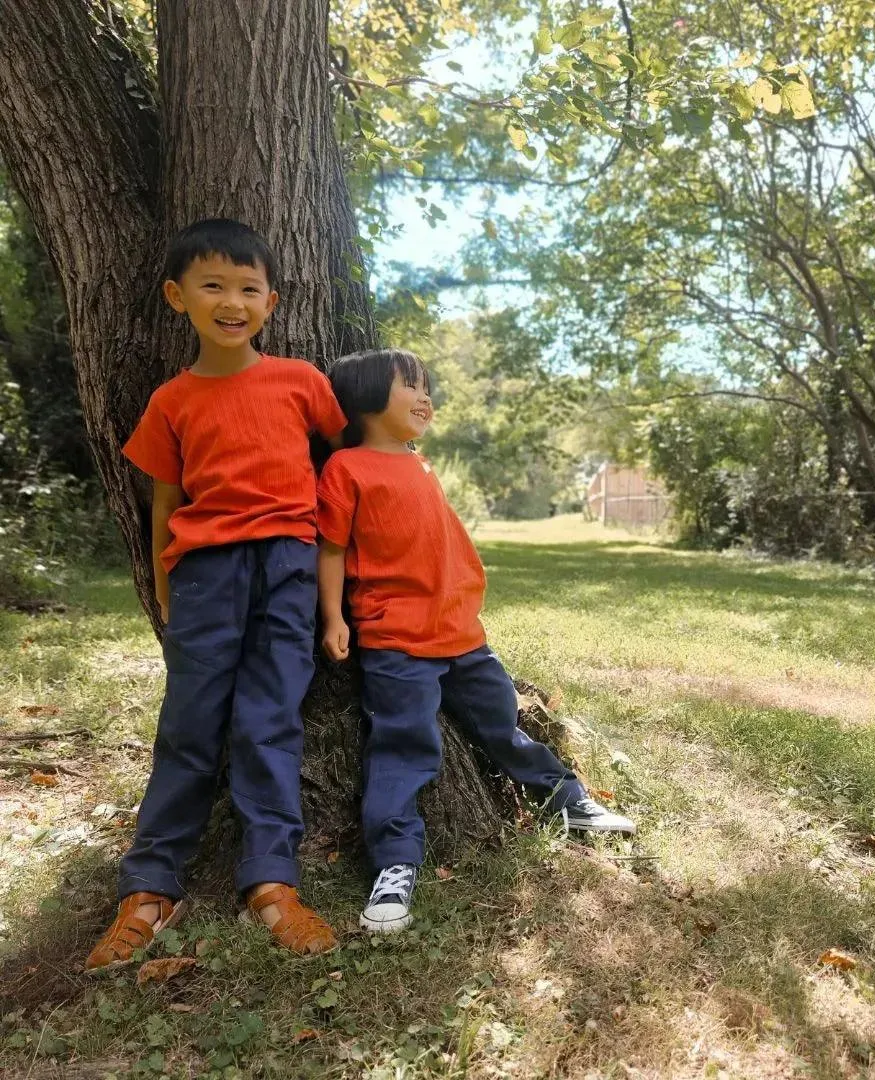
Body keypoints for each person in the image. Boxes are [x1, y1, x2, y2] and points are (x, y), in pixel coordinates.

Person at [85, 219, 345, 970]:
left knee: (269, 721)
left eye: (248, 288)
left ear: (272, 300)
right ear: (178, 297)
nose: (232, 302)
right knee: (190, 726)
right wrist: (169, 590)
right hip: (205, 574)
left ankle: (270, 881)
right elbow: (165, 504)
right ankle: (149, 888)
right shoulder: (172, 400)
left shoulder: (301, 382)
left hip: (290, 568)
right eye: (213, 286)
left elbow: (341, 462)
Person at [316, 347, 635, 934]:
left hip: (462, 634)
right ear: (364, 399)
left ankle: (568, 800)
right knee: (402, 748)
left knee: (503, 723)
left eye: (426, 386)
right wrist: (333, 616)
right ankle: (395, 862)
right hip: (396, 640)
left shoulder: (420, 463)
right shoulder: (347, 469)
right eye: (409, 386)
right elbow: (331, 548)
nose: (424, 396)